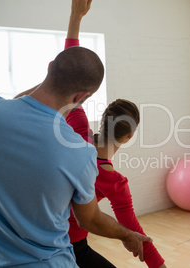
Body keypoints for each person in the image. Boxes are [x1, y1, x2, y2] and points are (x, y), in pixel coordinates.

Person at [0, 0, 152, 267]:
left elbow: (64, 73)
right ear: (82, 97)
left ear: (50, 67)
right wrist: (127, 236)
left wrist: (75, 18)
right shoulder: (80, 152)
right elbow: (90, 219)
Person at [62, 4, 167, 267]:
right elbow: (137, 235)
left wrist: (75, 18)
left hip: (36, 235)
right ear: (130, 136)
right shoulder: (114, 182)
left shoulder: (76, 128)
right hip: (70, 247)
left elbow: (70, 73)